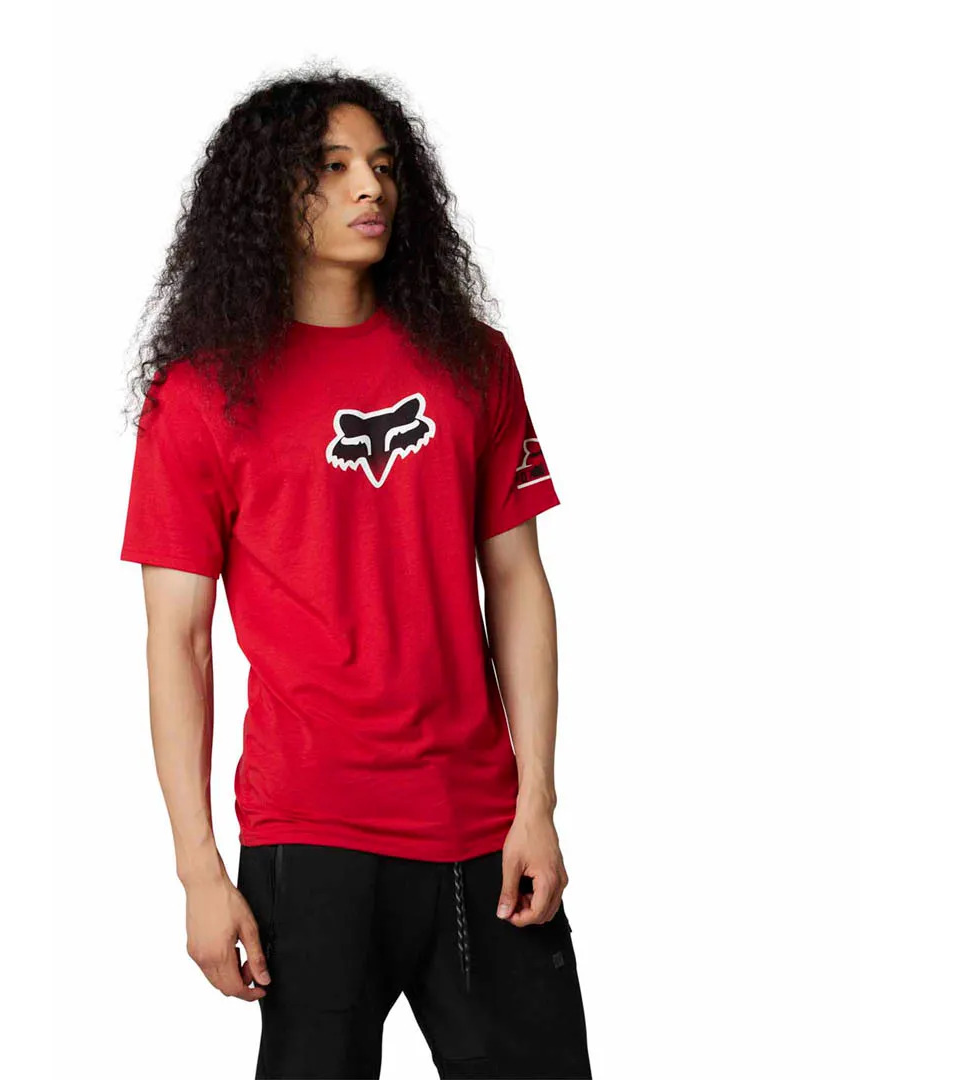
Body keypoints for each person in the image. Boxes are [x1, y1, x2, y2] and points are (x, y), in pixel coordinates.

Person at [119, 65, 592, 1080]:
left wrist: (538, 802)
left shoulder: (473, 362)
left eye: (381, 165)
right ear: (266, 196)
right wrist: (198, 868)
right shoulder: (199, 396)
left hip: (480, 828)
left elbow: (517, 582)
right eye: (331, 168)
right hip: (310, 834)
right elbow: (179, 639)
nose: (369, 187)